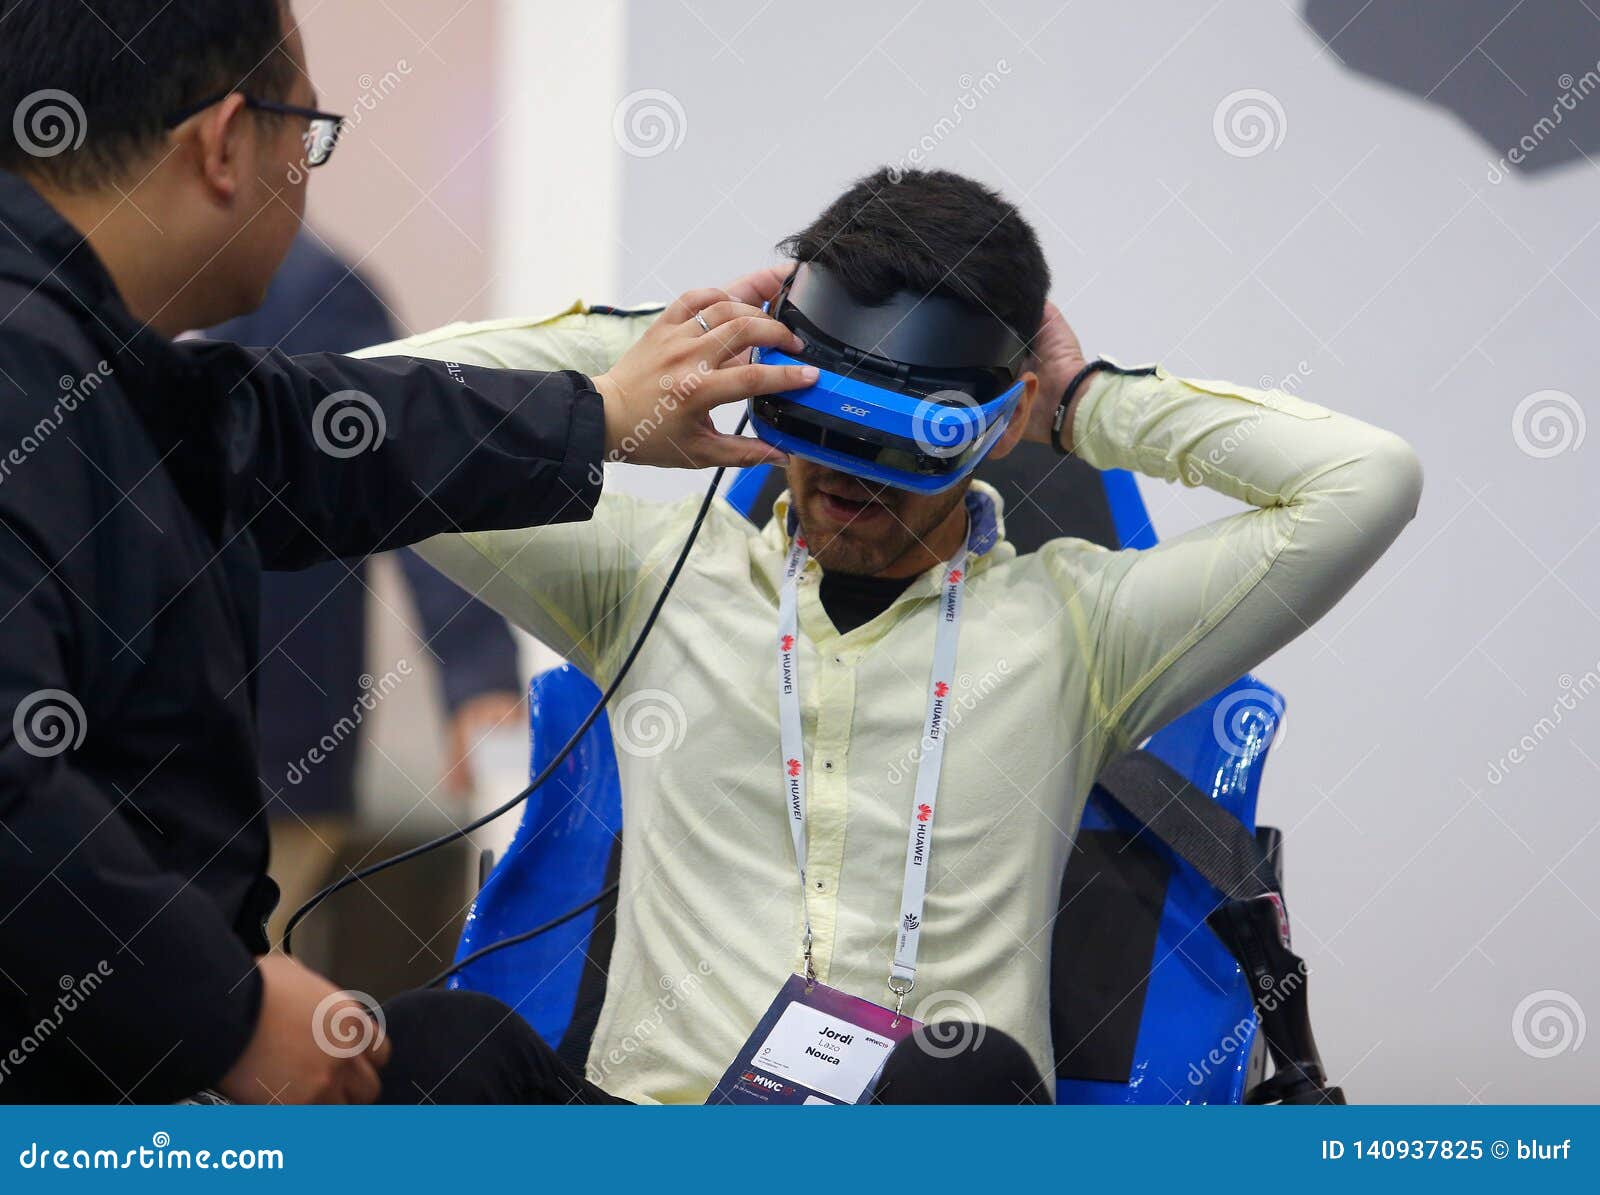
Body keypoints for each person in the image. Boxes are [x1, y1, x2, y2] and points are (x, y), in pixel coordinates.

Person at [388, 167, 1425, 1104]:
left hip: (919, 1127)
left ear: (997, 423)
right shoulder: (650, 577)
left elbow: (1365, 481)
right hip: (651, 1130)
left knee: (963, 1067)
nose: (844, 479)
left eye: (892, 445)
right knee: (441, 1043)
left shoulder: (1082, 628)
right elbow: (367, 421)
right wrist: (654, 352)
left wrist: (1083, 404)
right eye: (823, 424)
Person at [0, 0, 815, 1104]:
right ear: (227, 142)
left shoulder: (91, 366)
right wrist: (224, 1013)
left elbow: (302, 433)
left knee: (465, 1053)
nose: (308, 167)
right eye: (309, 131)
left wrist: (601, 412)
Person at [204, 230, 525, 953]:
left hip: (269, 744)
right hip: (103, 738)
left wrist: (478, 673)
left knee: (234, 987)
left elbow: (408, 473)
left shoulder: (308, 287)